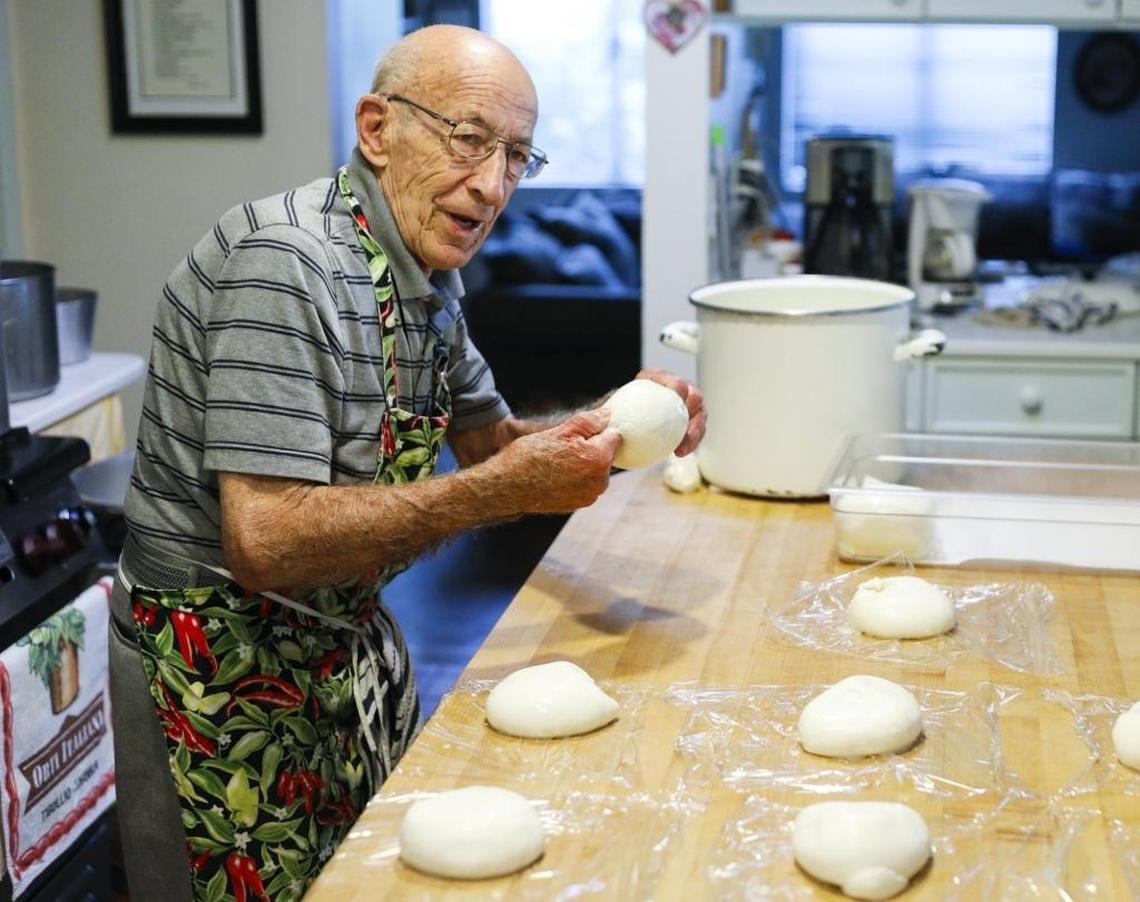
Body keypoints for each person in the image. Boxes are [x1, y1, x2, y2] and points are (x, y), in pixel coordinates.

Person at [108, 23, 705, 901]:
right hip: (212, 669)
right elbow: (266, 541)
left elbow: (490, 445)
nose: (494, 184)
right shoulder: (288, 267)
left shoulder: (421, 277)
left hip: (333, 648)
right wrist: (498, 491)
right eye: (470, 140)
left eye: (517, 157)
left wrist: (612, 430)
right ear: (377, 128)